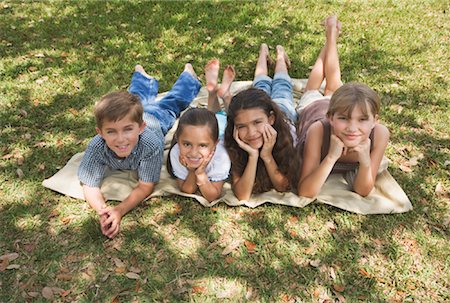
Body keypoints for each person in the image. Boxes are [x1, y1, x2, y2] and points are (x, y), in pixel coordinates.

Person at [78, 63, 201, 238]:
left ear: (140, 127)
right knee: (135, 99)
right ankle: (143, 79)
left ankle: (188, 78)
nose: (120, 139)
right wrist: (102, 210)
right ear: (100, 132)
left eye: (128, 129)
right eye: (111, 131)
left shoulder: (150, 143)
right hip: (139, 117)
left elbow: (146, 186)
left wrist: (119, 210)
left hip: (156, 119)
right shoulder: (97, 146)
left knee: (171, 103)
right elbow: (89, 184)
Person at [296, 15, 390, 198]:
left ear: (374, 121)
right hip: (314, 107)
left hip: (338, 105)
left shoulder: (379, 134)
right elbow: (305, 191)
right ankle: (331, 35)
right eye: (344, 119)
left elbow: (363, 190)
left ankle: (331, 35)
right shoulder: (318, 130)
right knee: (313, 88)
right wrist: (331, 157)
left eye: (363, 119)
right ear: (330, 118)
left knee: (333, 85)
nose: (352, 128)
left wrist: (365, 162)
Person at [224, 44, 298, 201]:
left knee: (282, 85)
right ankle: (263, 52)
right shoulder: (233, 141)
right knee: (261, 85)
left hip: (284, 111)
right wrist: (252, 156)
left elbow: (283, 186)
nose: (251, 133)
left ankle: (280, 57)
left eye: (257, 123)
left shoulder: (287, 135)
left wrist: (267, 156)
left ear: (271, 119)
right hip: (261, 108)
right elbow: (242, 195)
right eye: (242, 126)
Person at [167, 59, 235, 202]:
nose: (193, 152)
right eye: (187, 144)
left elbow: (212, 195)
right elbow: (187, 190)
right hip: (209, 131)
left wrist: (201, 173)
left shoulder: (222, 156)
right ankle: (213, 92)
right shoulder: (175, 153)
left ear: (215, 144)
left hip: (223, 129)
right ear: (178, 139)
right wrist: (195, 171)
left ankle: (225, 96)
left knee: (232, 118)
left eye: (202, 146)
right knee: (214, 116)